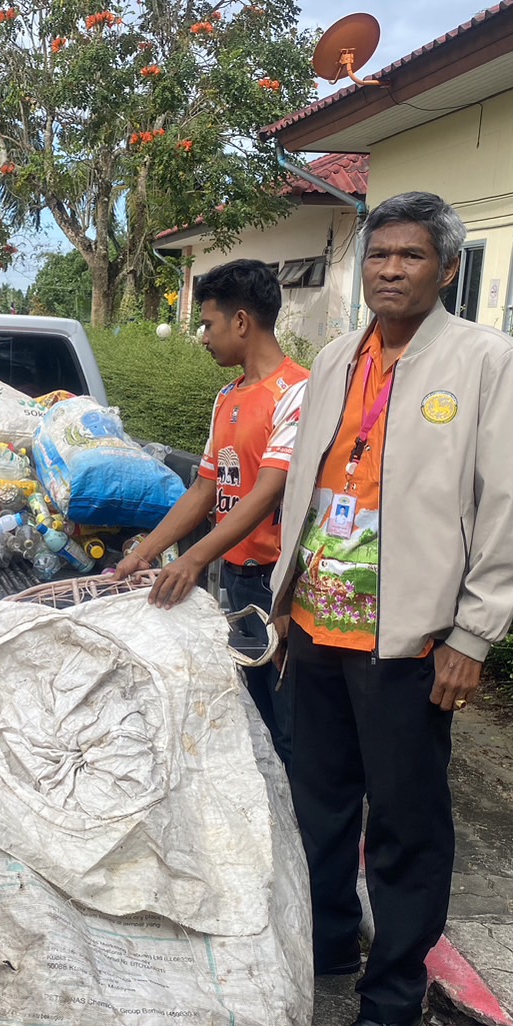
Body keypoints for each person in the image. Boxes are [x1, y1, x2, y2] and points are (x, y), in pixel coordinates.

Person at [270, 192, 513, 1026]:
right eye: (378, 254)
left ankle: (390, 997)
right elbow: (308, 483)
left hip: (410, 640)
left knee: (405, 827)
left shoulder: (486, 361)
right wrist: (281, 596)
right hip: (317, 621)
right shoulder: (336, 353)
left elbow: (507, 506)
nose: (388, 269)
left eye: (410, 256)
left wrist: (473, 632)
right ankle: (327, 947)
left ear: (447, 268)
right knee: (316, 808)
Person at [114, 259, 307, 764]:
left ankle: (310, 836)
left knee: (292, 727)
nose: (202, 337)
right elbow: (205, 488)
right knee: (251, 717)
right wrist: (145, 551)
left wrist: (193, 559)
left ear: (241, 322)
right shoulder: (228, 397)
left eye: (207, 323)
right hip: (238, 580)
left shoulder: (299, 393)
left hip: (283, 587)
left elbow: (268, 491)